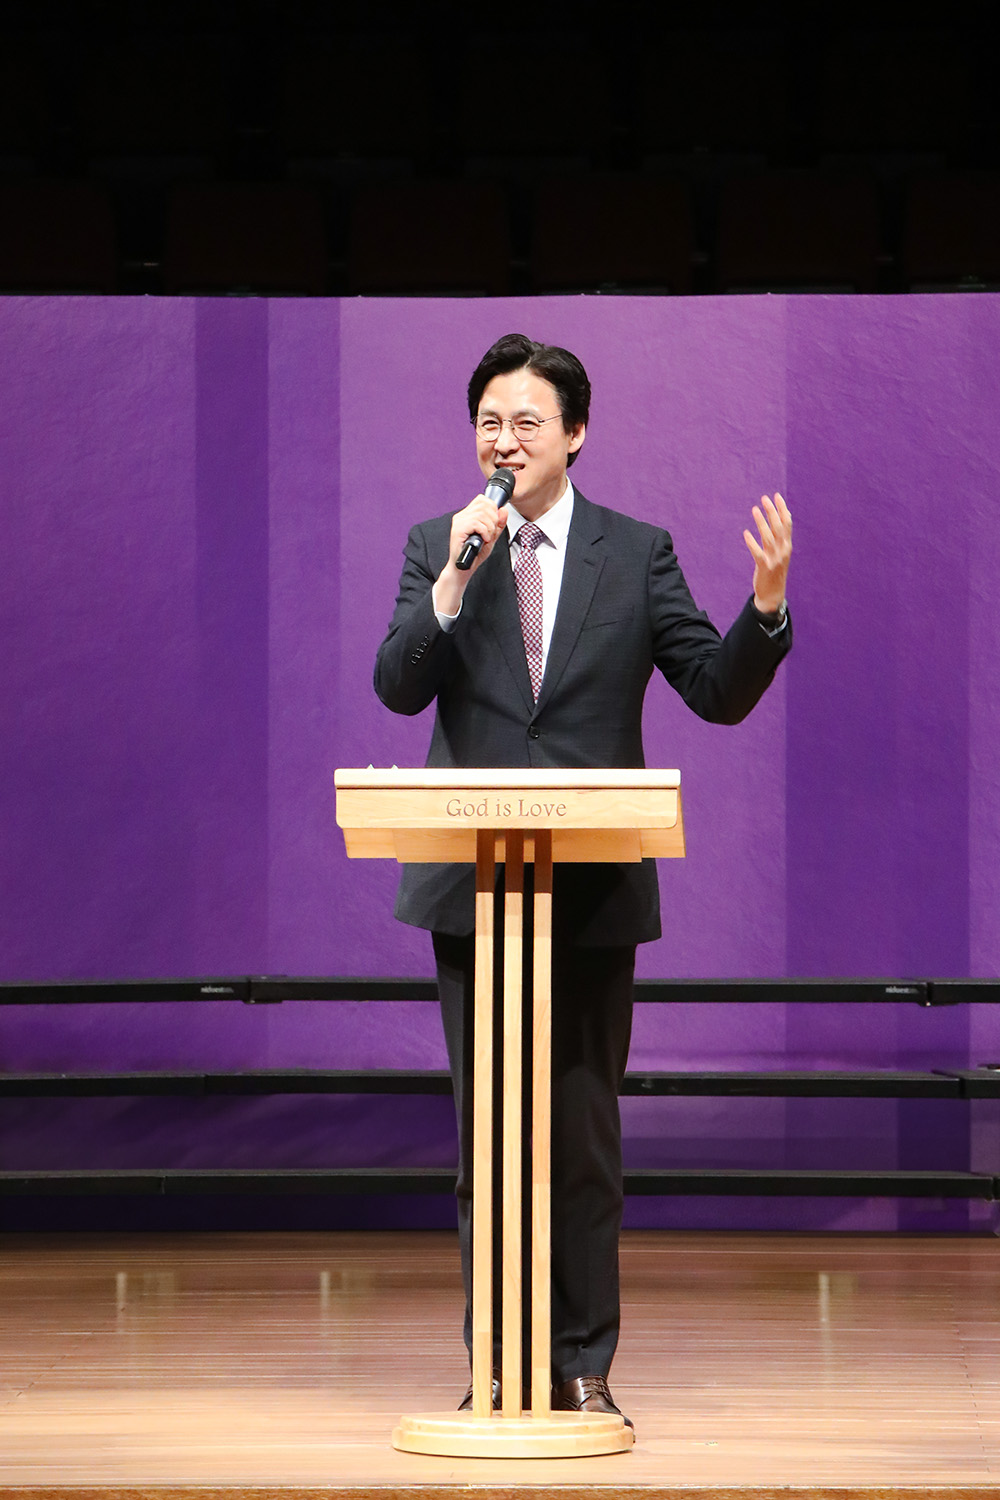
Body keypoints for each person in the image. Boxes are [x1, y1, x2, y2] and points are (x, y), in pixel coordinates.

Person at [374, 333, 792, 1430]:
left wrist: (764, 609)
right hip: (472, 889)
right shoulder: (439, 545)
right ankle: (494, 1362)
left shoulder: (635, 552)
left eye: (525, 422)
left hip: (593, 889)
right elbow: (396, 688)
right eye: (488, 423)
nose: (503, 442)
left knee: (583, 1139)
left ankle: (581, 1364)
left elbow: (714, 690)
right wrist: (453, 582)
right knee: (484, 1139)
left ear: (575, 434)